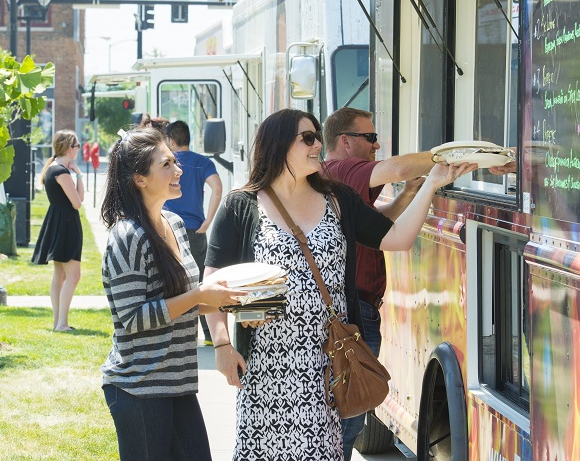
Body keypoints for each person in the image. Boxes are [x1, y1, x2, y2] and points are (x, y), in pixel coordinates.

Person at [204, 109, 475, 461]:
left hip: (326, 367)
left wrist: (432, 183)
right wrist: (223, 345)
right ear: (277, 144)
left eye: (318, 136)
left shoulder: (337, 199)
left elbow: (398, 238)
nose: (318, 144)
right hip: (265, 369)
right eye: (307, 138)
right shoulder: (241, 206)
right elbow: (212, 282)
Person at [322, 106, 515, 458]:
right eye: (371, 137)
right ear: (345, 142)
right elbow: (396, 168)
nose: (377, 146)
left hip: (360, 309)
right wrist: (462, 156)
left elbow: (377, 224)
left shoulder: (339, 177)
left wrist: (413, 192)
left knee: (345, 420)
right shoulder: (342, 168)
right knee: (344, 425)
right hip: (356, 312)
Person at [100, 127, 245, 461]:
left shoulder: (175, 223)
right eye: (167, 165)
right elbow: (133, 319)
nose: (179, 171)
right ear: (140, 179)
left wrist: (229, 300)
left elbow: (189, 296)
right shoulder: (128, 236)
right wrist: (198, 296)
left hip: (177, 384)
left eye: (174, 162)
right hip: (139, 388)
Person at [163, 120, 223, 345]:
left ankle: (177, 333)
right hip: (196, 230)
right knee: (200, 283)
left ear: (170, 140)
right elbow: (217, 187)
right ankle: (209, 336)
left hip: (168, 229)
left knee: (172, 283)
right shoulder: (202, 162)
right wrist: (209, 220)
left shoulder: (167, 162)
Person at [31, 129, 84, 332]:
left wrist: (78, 174)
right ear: (70, 148)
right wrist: (75, 175)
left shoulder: (56, 168)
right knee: (72, 275)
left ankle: (58, 322)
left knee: (60, 275)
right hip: (66, 224)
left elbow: (79, 199)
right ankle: (61, 323)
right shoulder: (60, 172)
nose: (78, 149)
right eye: (77, 145)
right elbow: (77, 203)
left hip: (59, 222)